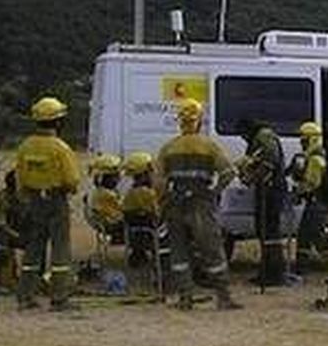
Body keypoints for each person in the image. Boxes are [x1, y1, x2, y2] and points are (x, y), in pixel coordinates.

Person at [154, 99, 242, 310]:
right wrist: (214, 192)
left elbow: (159, 181)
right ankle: (223, 297)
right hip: (201, 202)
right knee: (212, 250)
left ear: (180, 122)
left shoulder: (169, 148)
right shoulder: (208, 146)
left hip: (175, 203)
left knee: (179, 252)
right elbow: (228, 173)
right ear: (199, 121)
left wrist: (164, 202)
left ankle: (185, 298)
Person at [13, 97, 84, 311]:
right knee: (60, 249)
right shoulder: (60, 148)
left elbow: (20, 178)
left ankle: (25, 296)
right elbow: (72, 180)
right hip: (56, 200)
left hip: (34, 201)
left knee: (33, 249)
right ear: (58, 121)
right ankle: (59, 297)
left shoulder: (25, 146)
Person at [238, 120, 288, 287]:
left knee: (269, 232)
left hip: (270, 191)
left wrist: (251, 177)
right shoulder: (260, 138)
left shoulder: (264, 137)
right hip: (267, 190)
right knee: (264, 231)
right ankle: (267, 271)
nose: (243, 138)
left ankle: (273, 274)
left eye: (243, 135)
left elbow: (268, 163)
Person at [120, 152, 164, 295]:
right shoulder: (148, 194)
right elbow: (156, 215)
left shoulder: (130, 193)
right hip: (151, 233)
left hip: (135, 234)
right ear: (145, 174)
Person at [290, 121, 328, 269]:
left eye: (304, 139)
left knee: (312, 236)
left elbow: (312, 184)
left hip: (316, 202)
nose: (301, 142)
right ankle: (301, 267)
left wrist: (298, 191)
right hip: (314, 202)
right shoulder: (312, 156)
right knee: (308, 237)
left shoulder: (316, 160)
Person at [85, 154, 126, 249]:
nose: (118, 180)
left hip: (102, 221)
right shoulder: (107, 194)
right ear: (108, 179)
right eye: (116, 177)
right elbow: (120, 209)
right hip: (110, 223)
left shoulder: (98, 191)